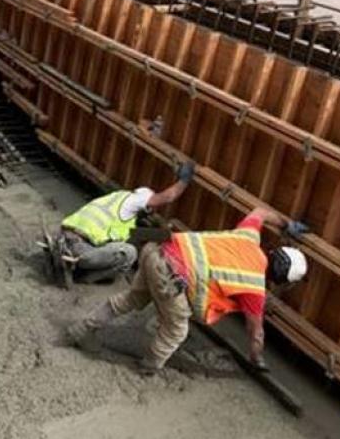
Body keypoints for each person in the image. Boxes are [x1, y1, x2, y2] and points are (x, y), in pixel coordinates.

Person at [68, 207, 309, 375]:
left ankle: (83, 329)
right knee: (176, 330)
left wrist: (287, 225)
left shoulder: (248, 236)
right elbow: (255, 332)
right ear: (280, 278)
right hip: (170, 276)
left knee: (131, 298)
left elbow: (261, 212)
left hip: (155, 248)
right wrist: (256, 359)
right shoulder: (254, 287)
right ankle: (148, 368)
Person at [59, 161, 195, 284]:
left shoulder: (118, 199)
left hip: (65, 236)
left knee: (126, 246)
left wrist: (168, 235)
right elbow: (167, 197)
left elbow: (134, 234)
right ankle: (83, 276)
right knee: (129, 253)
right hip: (80, 248)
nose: (152, 212)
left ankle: (73, 260)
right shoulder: (136, 201)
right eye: (152, 208)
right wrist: (184, 180)